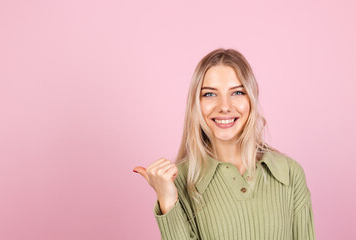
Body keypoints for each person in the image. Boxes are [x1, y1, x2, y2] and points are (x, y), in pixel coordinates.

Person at [133, 48, 316, 240]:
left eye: (237, 92)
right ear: (196, 104)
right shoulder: (178, 181)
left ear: (251, 99)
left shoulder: (288, 174)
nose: (225, 106)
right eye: (210, 94)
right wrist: (168, 200)